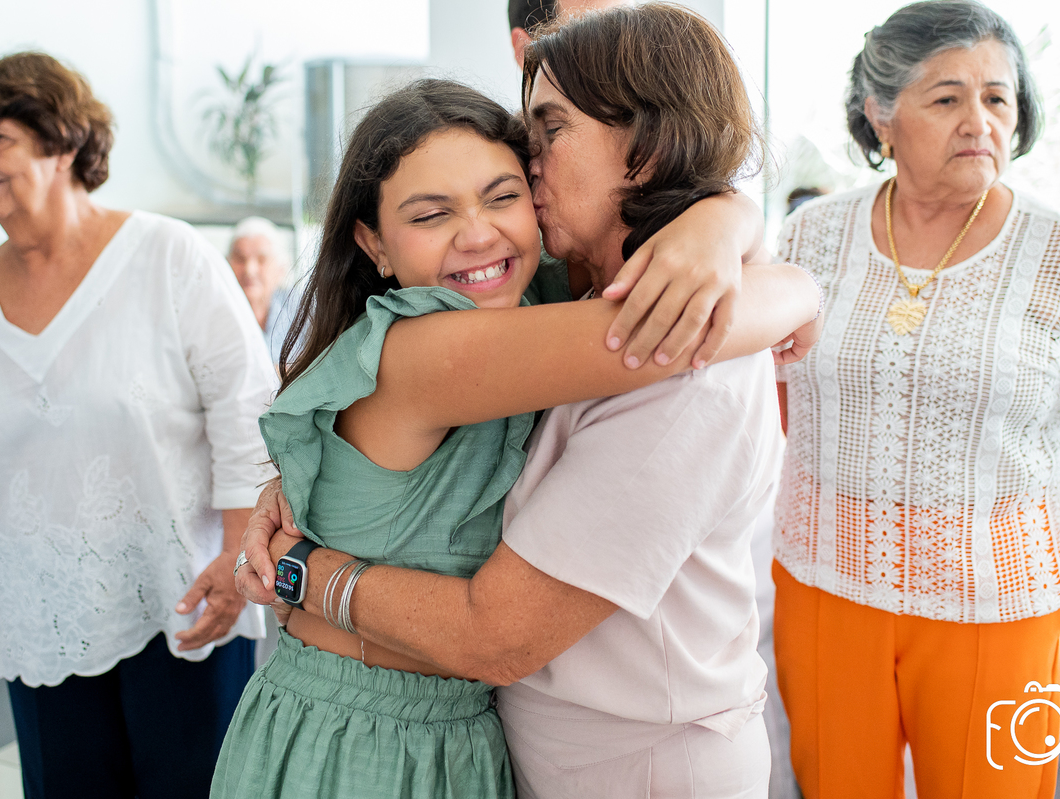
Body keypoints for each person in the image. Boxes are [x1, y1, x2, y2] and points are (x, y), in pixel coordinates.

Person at [236, 6, 807, 797]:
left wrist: (305, 567)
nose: (484, 229)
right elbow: (646, 336)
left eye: (545, 137)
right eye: (430, 213)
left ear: (646, 151)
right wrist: (772, 263)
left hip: (620, 762)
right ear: (373, 243)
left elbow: (496, 636)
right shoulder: (483, 330)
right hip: (376, 740)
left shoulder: (599, 320)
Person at [0, 52, 276, 798]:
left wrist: (238, 554)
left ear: (63, 141)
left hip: (183, 602)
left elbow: (245, 407)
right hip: (38, 618)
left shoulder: (168, 256)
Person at [771, 2, 1060, 797]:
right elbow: (787, 398)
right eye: (948, 97)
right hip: (824, 578)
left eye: (997, 98)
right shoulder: (810, 236)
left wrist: (972, 514)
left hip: (997, 598)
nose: (979, 121)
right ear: (879, 115)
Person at [226, 216, 298, 366]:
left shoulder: (301, 308)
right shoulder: (213, 313)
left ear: (281, 269)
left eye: (261, 260)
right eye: (240, 259)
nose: (249, 270)